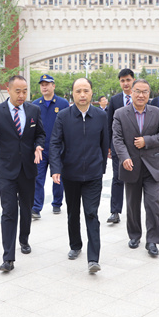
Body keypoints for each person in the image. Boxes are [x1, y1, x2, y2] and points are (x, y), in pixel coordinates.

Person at [0, 75, 45, 272]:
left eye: (25, 91)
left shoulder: (33, 110)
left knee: (26, 209)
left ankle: (24, 238)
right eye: (18, 91)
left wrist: (39, 146)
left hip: (28, 169)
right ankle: (8, 257)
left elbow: (40, 134)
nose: (22, 95)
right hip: (7, 170)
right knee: (9, 212)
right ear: (8, 90)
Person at [50, 78, 108, 274]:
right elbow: (55, 143)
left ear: (91, 92)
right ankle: (75, 245)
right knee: (73, 213)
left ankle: (93, 259)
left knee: (91, 213)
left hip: (93, 175)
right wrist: (56, 169)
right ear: (72, 94)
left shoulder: (101, 116)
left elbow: (104, 143)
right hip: (70, 174)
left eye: (86, 90)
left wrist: (101, 168)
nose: (82, 95)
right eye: (78, 91)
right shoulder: (63, 116)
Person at [112, 79, 159, 257]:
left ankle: (152, 240)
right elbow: (117, 139)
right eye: (137, 91)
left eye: (145, 92)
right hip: (131, 166)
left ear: (149, 94)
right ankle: (134, 235)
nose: (141, 95)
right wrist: (124, 157)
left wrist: (147, 141)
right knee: (132, 204)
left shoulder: (157, 113)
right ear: (131, 92)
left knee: (153, 204)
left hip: (152, 167)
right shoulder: (120, 113)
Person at [31, 74, 69, 218]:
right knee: (38, 178)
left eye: (47, 84)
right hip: (40, 148)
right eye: (42, 85)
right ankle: (36, 208)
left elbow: (68, 126)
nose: (44, 87)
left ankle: (57, 203)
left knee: (58, 177)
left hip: (57, 148)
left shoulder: (63, 103)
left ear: (53, 86)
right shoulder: (35, 104)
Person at [106, 68, 135, 224]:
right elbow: (108, 124)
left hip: (137, 146)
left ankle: (134, 211)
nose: (125, 83)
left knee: (136, 180)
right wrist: (108, 146)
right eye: (122, 81)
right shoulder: (115, 100)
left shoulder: (139, 97)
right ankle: (115, 211)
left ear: (133, 80)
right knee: (117, 178)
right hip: (118, 145)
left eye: (128, 80)